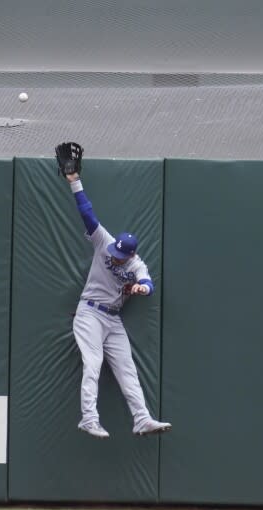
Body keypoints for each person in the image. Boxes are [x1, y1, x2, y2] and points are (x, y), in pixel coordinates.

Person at [65, 170, 172, 439]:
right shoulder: (106, 242)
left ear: (132, 254)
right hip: (89, 311)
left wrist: (142, 287)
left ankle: (142, 419)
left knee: (127, 369)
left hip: (112, 319)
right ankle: (88, 418)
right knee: (93, 362)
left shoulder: (136, 264)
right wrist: (75, 182)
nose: (117, 256)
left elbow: (149, 284)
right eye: (117, 252)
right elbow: (88, 215)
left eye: (123, 255)